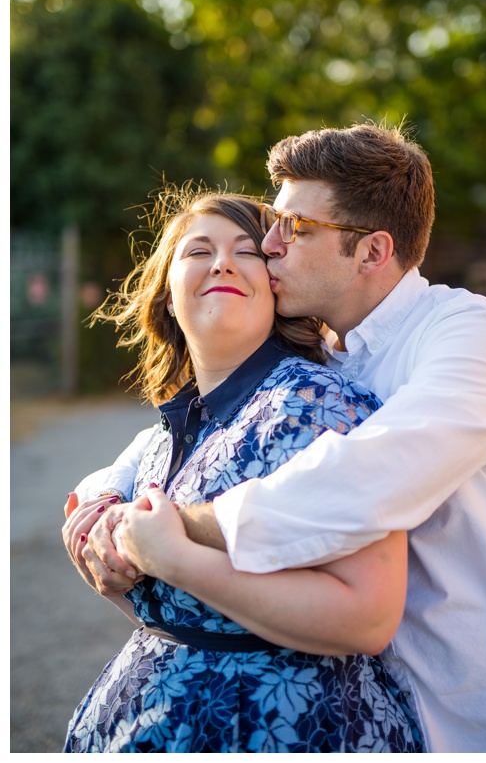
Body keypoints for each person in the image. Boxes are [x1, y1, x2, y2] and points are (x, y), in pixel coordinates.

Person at [67, 124, 486, 752]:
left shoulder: (462, 331)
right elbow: (173, 441)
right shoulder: (323, 354)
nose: (270, 245)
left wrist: (173, 530)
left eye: (295, 228)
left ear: (372, 252)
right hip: (397, 710)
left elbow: (364, 477)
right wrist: (101, 502)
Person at [63, 190, 423, 752]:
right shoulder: (167, 432)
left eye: (246, 251)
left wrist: (174, 559)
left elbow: (366, 620)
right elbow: (180, 606)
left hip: (288, 729)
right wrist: (109, 566)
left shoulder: (321, 405)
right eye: (198, 250)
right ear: (167, 294)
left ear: (277, 285)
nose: (222, 262)